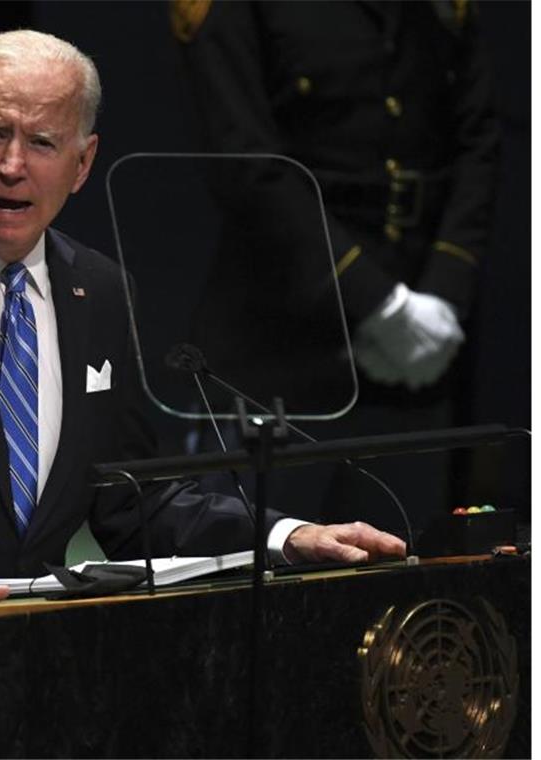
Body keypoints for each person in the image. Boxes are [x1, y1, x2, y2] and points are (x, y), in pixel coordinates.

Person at [0, 29, 405, 629]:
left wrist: (284, 537)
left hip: (34, 659)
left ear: (82, 163)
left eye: (43, 143)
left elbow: (133, 498)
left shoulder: (100, 291)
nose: (13, 165)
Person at [172, 1, 500, 530]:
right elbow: (245, 161)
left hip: (420, 349)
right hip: (283, 346)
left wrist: (444, 292)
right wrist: (377, 304)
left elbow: (478, 138)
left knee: (408, 587)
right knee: (252, 585)